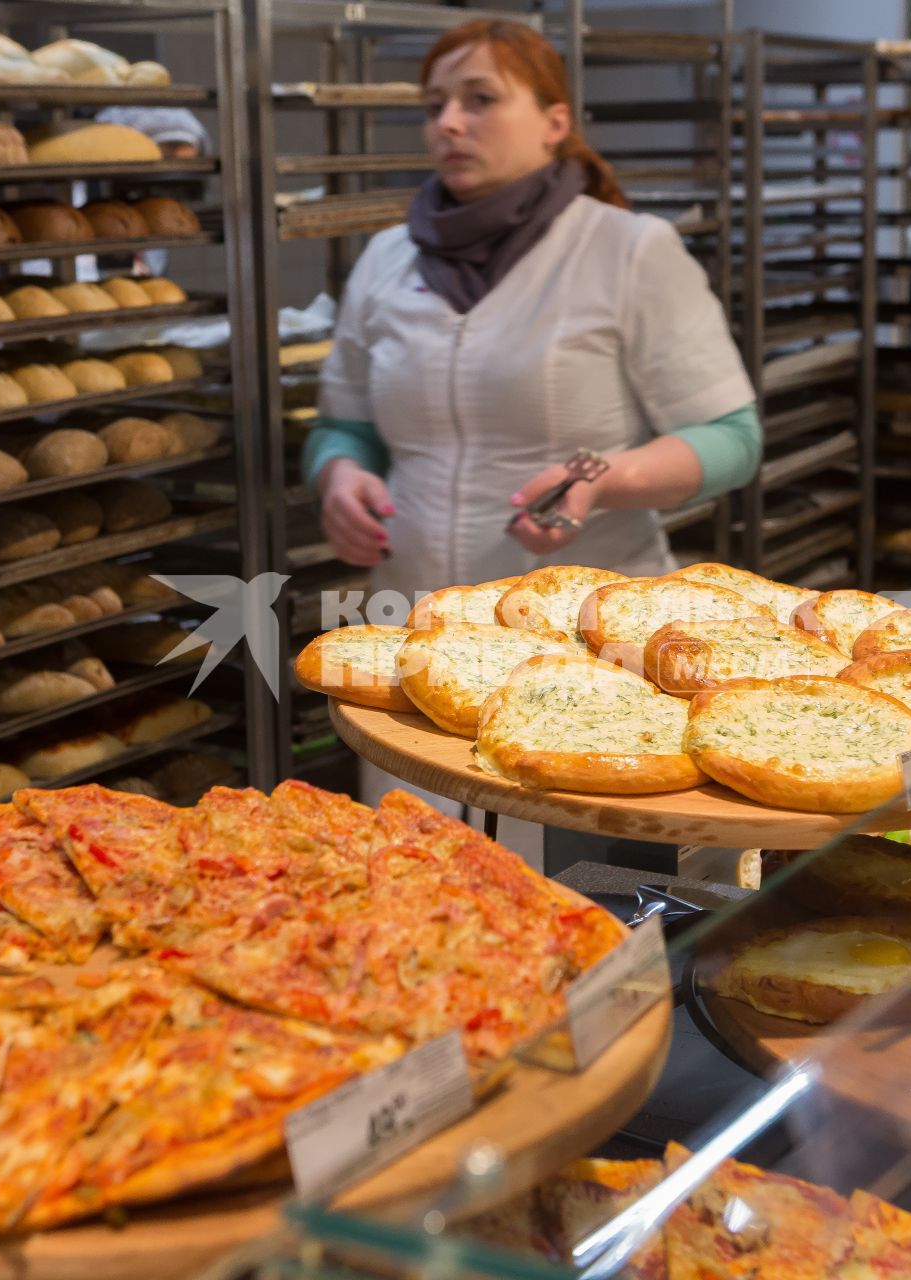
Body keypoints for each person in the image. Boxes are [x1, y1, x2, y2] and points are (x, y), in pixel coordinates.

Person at [306, 20, 761, 835]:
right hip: (413, 649)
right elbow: (344, 426)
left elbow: (731, 436)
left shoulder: (628, 252)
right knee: (422, 902)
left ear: (555, 121)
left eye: (480, 100)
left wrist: (603, 481)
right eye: (436, 103)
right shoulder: (384, 260)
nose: (448, 122)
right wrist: (339, 475)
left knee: (582, 902)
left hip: (586, 659)